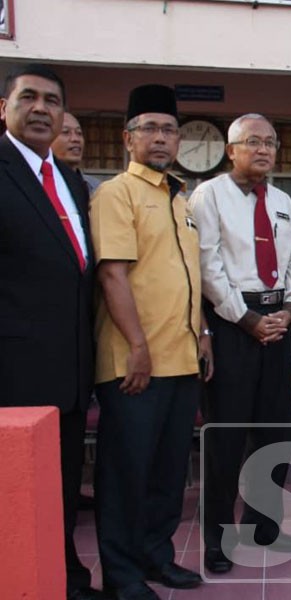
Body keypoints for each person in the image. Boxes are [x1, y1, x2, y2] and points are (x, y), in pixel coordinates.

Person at [90, 84, 213, 599]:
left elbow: (188, 276)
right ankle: (121, 575)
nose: (160, 138)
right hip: (134, 364)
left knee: (168, 473)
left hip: (181, 361)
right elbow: (112, 274)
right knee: (126, 475)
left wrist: (202, 332)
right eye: (149, 129)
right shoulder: (116, 194)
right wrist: (137, 347)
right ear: (128, 138)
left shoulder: (179, 199)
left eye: (169, 130)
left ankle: (157, 557)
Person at [189, 113, 291, 574]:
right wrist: (246, 318)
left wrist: (290, 309)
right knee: (226, 437)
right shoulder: (208, 195)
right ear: (231, 150)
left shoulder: (283, 201)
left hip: (279, 323)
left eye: (270, 142)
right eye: (252, 141)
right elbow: (207, 265)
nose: (263, 150)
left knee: (275, 433)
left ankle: (264, 525)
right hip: (232, 325)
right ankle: (217, 539)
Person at [0, 63, 100, 600]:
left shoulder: (68, 179)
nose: (41, 108)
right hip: (15, 370)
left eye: (52, 101)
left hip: (69, 368)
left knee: (59, 485)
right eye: (29, 97)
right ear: (4, 108)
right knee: (18, 493)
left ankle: (65, 578)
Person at [51, 112, 102, 196]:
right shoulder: (38, 184)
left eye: (79, 133)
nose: (75, 139)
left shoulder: (96, 188)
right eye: (65, 132)